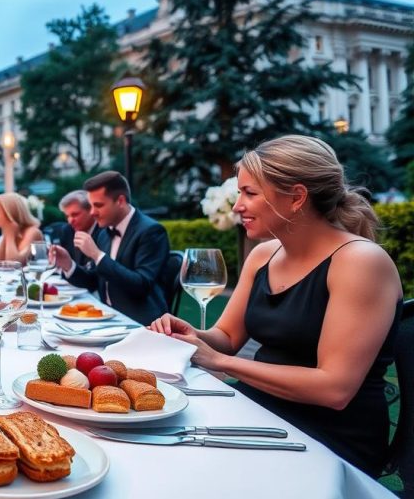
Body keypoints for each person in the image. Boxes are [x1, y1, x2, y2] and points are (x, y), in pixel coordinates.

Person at [148, 135, 402, 476]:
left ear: (296, 197)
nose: (238, 205)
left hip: (329, 436)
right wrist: (193, 335)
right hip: (260, 409)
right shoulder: (264, 255)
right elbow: (226, 335)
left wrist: (221, 362)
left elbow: (335, 388)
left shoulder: (359, 262)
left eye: (250, 193)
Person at [49, 171, 170, 324]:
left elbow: (141, 286)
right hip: (108, 318)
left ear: (120, 201)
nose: (92, 212)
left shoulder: (151, 231)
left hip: (141, 323)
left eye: (98, 205)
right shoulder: (104, 234)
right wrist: (68, 264)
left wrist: (97, 255)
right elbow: (93, 282)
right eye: (91, 206)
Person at [0, 193, 44, 264]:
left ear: (10, 213)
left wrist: (9, 236)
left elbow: (14, 266)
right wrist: (7, 234)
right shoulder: (8, 232)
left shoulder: (33, 232)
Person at [56, 190, 100, 269]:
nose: (70, 221)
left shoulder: (104, 231)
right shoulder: (68, 231)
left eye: (75, 215)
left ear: (91, 210)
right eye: (67, 216)